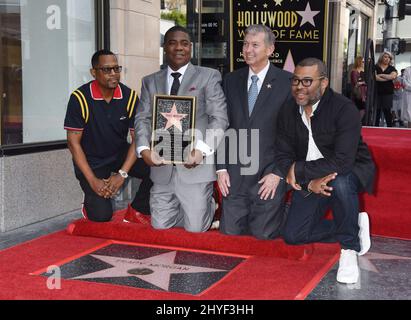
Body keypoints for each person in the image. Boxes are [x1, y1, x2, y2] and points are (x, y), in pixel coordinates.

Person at [275, 58, 375, 284]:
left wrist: (300, 170)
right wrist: (309, 183)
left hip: (350, 171)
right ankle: (353, 225)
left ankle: (349, 248)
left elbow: (342, 162)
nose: (299, 86)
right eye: (295, 80)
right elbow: (281, 154)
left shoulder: (343, 108)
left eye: (307, 81)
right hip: (311, 179)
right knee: (293, 236)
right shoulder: (288, 109)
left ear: (323, 83)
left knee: (340, 182)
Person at [134, 26, 229, 233]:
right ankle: (189, 210)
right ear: (164, 47)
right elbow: (142, 118)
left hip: (195, 166)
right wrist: (143, 149)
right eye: (173, 42)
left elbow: (220, 118)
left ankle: (209, 206)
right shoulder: (150, 81)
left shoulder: (209, 76)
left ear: (191, 48)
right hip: (162, 168)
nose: (179, 48)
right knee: (160, 227)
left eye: (184, 43)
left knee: (195, 229)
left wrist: (202, 151)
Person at [216, 24, 293, 240]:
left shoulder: (288, 83)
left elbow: (294, 134)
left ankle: (285, 211)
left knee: (263, 236)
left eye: (255, 45)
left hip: (268, 173)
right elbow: (222, 125)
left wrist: (279, 173)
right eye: (245, 44)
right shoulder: (231, 80)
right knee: (230, 234)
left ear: (270, 49)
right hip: (236, 173)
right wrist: (221, 168)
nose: (248, 49)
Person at [64, 50, 153, 223]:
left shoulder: (129, 96)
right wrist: (92, 180)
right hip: (92, 159)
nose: (113, 74)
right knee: (101, 216)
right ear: (93, 72)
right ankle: (89, 199)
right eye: (106, 70)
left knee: (158, 168)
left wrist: (122, 175)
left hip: (118, 153)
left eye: (116, 68)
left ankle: (137, 209)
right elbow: (73, 143)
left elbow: (137, 140)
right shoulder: (80, 98)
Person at [375, 51, 398, 127]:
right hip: (376, 92)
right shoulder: (375, 67)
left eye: (389, 57)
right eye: (385, 57)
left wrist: (381, 75)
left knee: (387, 111)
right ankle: (375, 128)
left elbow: (393, 77)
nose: (387, 59)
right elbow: (375, 77)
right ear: (381, 58)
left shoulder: (392, 68)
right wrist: (387, 78)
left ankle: (389, 128)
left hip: (388, 93)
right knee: (376, 112)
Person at [350, 56, 367, 122]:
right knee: (360, 108)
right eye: (363, 61)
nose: (364, 63)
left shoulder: (365, 70)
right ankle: (357, 122)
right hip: (358, 93)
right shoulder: (354, 71)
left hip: (364, 93)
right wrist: (364, 82)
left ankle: (357, 122)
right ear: (359, 62)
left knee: (363, 108)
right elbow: (355, 83)